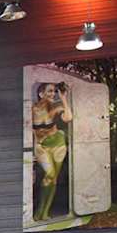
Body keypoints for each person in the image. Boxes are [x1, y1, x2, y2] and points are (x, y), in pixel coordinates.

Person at [32, 81, 73, 223]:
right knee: (49, 174)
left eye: (54, 91)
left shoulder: (56, 107)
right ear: (41, 93)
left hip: (58, 143)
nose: (53, 94)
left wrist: (63, 99)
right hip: (41, 145)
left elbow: (68, 118)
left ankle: (45, 213)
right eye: (49, 91)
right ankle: (39, 211)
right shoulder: (32, 109)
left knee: (53, 178)